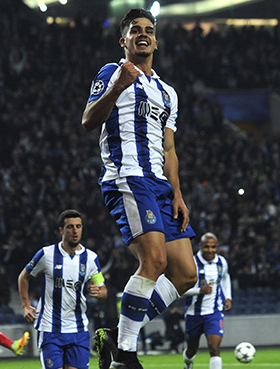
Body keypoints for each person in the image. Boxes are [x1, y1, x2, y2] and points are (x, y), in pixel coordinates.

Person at [81, 8, 198, 369]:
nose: (143, 35)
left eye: (148, 30)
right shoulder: (110, 72)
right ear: (125, 40)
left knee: (185, 274)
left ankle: (116, 337)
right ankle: (127, 357)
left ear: (156, 41)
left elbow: (170, 149)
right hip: (128, 176)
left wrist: (177, 193)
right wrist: (118, 86)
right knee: (155, 261)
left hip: (161, 186)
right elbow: (88, 121)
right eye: (135, 30)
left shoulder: (168, 93)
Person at [18, 209, 108, 369]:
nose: (75, 231)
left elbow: (102, 288)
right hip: (50, 329)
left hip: (78, 330)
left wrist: (100, 293)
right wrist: (25, 305)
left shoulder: (91, 259)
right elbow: (23, 277)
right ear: (61, 230)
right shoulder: (46, 254)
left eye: (79, 226)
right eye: (70, 227)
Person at [181, 232, 232, 369]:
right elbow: (179, 291)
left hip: (214, 313)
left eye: (213, 247)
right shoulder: (191, 263)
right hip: (193, 315)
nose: (210, 250)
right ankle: (188, 363)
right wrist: (199, 291)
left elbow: (226, 278)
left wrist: (228, 297)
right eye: (207, 247)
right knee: (191, 350)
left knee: (214, 348)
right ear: (200, 246)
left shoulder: (221, 262)